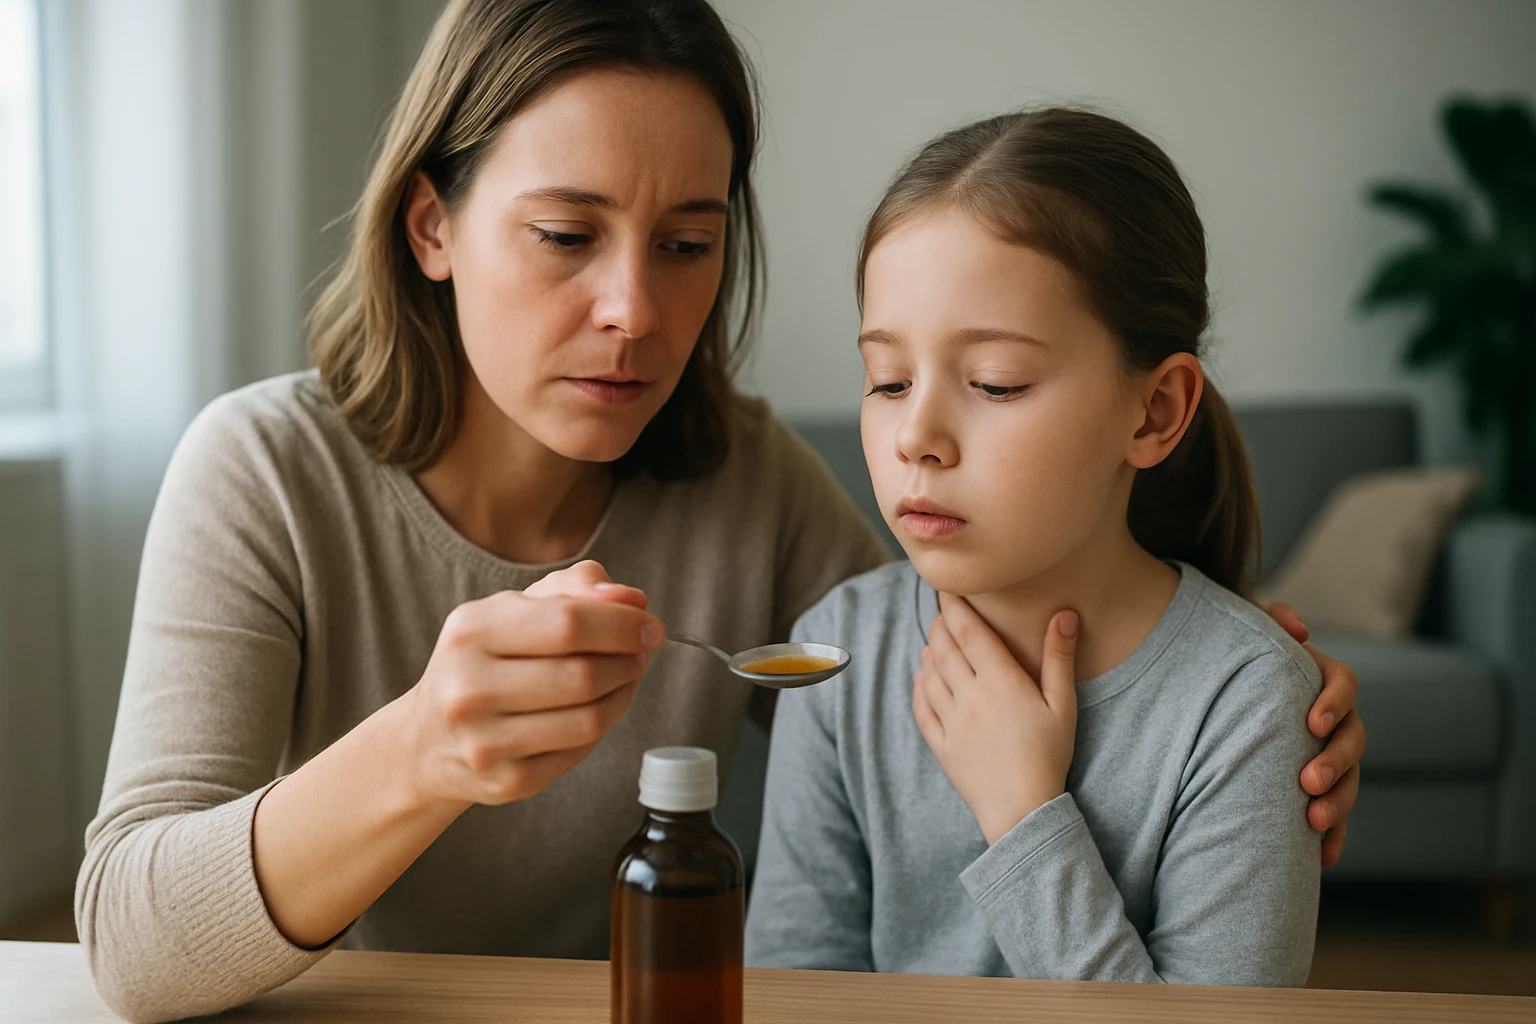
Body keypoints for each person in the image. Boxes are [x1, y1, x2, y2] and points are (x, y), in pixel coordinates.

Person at [74, 3, 1364, 1021]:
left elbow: (963, 650)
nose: (636, 311)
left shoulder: (747, 483)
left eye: (688, 245)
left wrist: (1255, 709)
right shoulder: (262, 473)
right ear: (432, 226)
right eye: (566, 235)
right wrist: (420, 748)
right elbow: (130, 944)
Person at [746, 108, 1343, 986]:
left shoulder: (1245, 701)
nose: (916, 437)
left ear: (1155, 412)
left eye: (995, 383)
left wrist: (1024, 816)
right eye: (889, 380)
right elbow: (793, 993)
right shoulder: (836, 656)